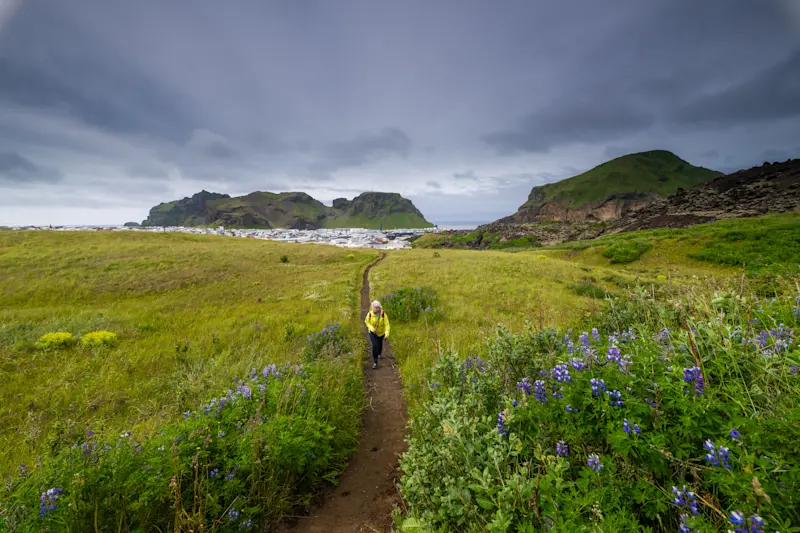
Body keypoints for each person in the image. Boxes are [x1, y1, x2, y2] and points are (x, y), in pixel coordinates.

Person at [365, 300, 390, 369]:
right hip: (372, 333)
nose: (377, 309)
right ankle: (375, 362)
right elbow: (367, 322)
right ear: (372, 307)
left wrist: (386, 334)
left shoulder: (383, 315)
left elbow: (387, 325)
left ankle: (379, 353)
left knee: (379, 345)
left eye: (378, 307)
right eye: (375, 307)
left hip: (381, 333)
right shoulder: (369, 314)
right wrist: (372, 329)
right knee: (375, 345)